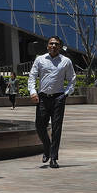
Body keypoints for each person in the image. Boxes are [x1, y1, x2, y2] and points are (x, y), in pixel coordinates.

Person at [28, 36, 76, 168]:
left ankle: (53, 157)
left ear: (60, 46)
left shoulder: (66, 61)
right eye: (51, 44)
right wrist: (33, 91)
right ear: (47, 46)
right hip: (42, 98)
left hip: (58, 98)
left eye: (56, 44)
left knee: (56, 128)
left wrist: (66, 94)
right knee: (39, 126)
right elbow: (32, 76)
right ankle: (47, 148)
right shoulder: (40, 59)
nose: (54, 46)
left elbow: (72, 79)